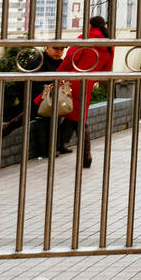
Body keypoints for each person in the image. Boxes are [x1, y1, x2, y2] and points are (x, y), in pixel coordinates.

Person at [38, 16, 114, 169]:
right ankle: (77, 152)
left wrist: (58, 75)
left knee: (41, 102)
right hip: (88, 83)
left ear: (90, 25)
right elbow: (106, 69)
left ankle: (84, 155)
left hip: (71, 81)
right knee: (77, 117)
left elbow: (70, 59)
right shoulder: (108, 45)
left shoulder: (84, 39)